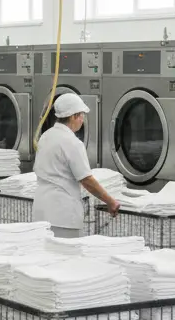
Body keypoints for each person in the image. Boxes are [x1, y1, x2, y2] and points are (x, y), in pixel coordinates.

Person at [33, 93, 121, 238]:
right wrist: (111, 202)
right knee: (67, 252)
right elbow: (86, 180)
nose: (82, 120)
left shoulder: (45, 137)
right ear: (73, 116)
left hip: (41, 211)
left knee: (46, 251)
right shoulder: (73, 143)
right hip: (63, 215)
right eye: (81, 115)